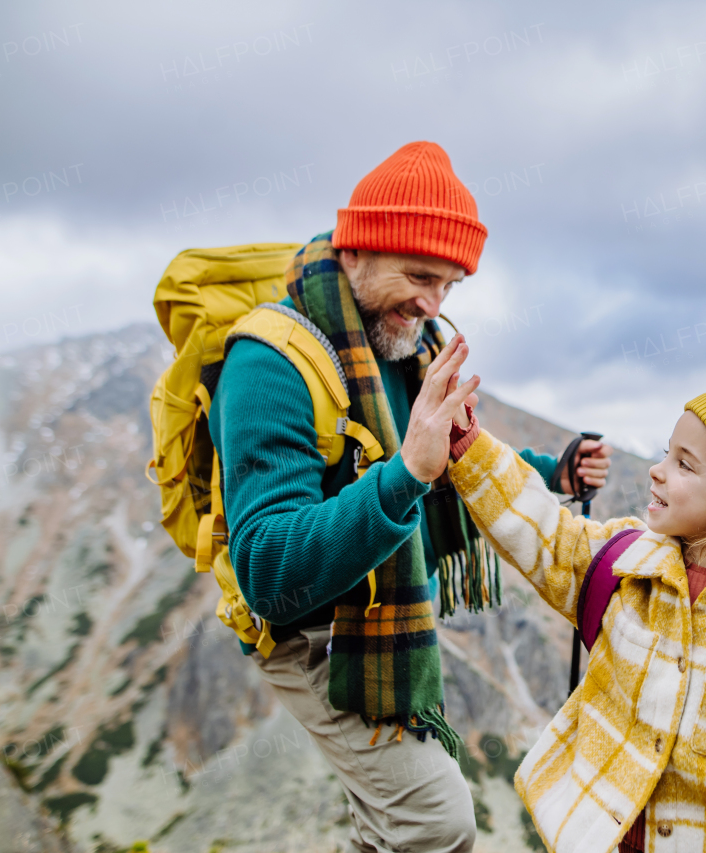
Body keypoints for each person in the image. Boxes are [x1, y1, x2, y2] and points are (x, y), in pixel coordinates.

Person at [207, 141, 612, 853]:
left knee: (392, 827)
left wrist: (554, 472)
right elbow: (269, 572)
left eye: (451, 285)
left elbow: (443, 458)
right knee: (434, 819)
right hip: (308, 628)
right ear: (357, 251)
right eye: (420, 274)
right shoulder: (267, 363)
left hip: (379, 610)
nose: (433, 304)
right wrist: (404, 478)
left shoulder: (403, 346)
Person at [401, 351, 706, 852]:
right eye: (666, 453)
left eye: (683, 464)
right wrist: (468, 445)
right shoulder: (623, 563)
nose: (656, 471)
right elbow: (543, 529)